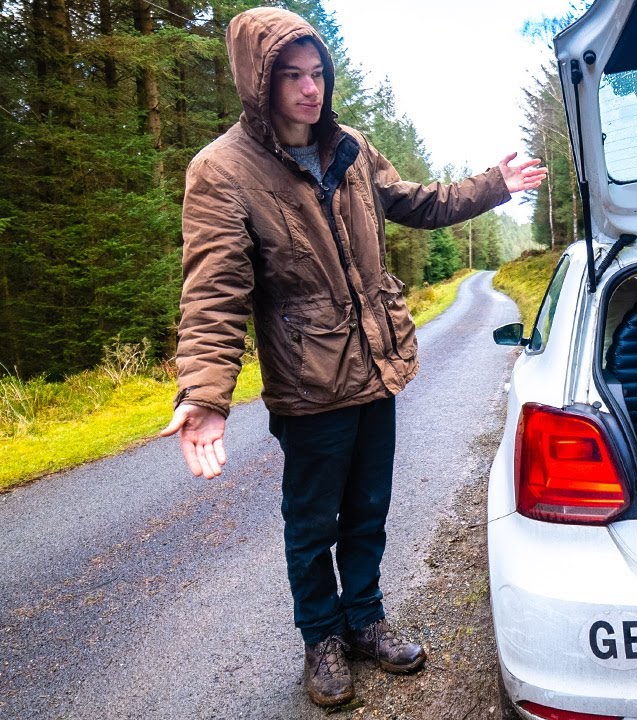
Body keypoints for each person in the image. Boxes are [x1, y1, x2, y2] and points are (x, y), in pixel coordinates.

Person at [159, 7, 545, 708]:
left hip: (376, 365)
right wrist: (206, 396)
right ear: (258, 81)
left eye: (317, 73)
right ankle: (322, 639)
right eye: (291, 76)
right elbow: (214, 292)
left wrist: (495, 183)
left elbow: (420, 202)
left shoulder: (352, 149)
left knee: (368, 509)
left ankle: (365, 620)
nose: (310, 89)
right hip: (309, 383)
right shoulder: (221, 171)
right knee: (313, 524)